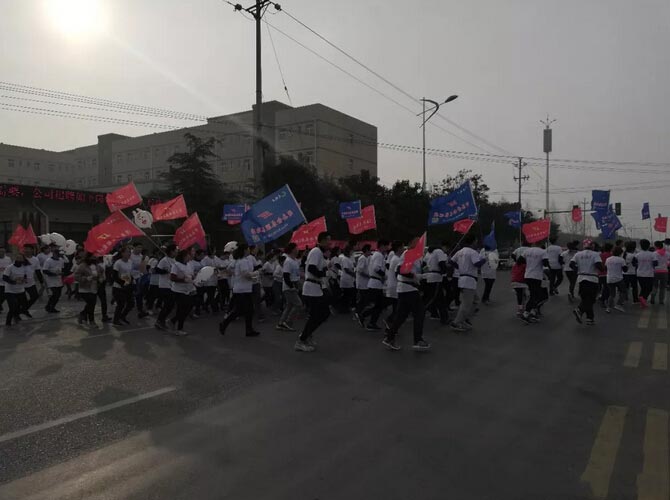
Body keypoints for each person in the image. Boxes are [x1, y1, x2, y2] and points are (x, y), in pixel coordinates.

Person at [382, 236, 431, 352]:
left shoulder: (413, 255)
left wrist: (421, 273)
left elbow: (402, 270)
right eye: (418, 243)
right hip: (408, 288)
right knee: (419, 312)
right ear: (412, 244)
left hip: (406, 288)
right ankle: (418, 340)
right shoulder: (409, 254)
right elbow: (401, 270)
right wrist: (415, 276)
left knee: (401, 316)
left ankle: (389, 338)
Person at [295, 232, 331, 352]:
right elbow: (311, 268)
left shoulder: (319, 253)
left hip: (316, 288)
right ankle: (301, 340)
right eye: (328, 240)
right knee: (319, 314)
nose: (330, 243)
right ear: (322, 240)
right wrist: (323, 273)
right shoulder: (316, 251)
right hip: (311, 288)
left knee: (322, 314)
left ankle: (307, 335)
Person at [219, 243, 260, 338]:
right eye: (248, 249)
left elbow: (234, 271)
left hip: (245, 289)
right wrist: (255, 274)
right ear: (245, 250)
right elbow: (245, 274)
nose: (249, 250)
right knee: (240, 310)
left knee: (249, 310)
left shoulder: (242, 260)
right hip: (241, 290)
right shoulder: (242, 261)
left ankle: (249, 330)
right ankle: (224, 323)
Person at [451, 234, 486, 332]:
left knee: (476, 301)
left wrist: (460, 267)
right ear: (473, 241)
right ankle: (457, 322)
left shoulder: (460, 251)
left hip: (463, 278)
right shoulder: (472, 252)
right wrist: (484, 260)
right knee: (466, 304)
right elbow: (477, 264)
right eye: (476, 241)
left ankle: (465, 318)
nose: (476, 243)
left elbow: (451, 261)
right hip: (468, 280)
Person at [570, 239, 604, 325]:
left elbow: (571, 264)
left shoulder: (578, 254)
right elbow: (598, 265)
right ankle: (579, 310)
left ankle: (590, 318)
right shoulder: (595, 254)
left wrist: (578, 270)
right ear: (592, 246)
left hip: (581, 278)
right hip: (592, 279)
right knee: (591, 299)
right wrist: (602, 269)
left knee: (586, 298)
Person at [360, 239, 390, 330]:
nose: (388, 248)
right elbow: (376, 268)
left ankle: (369, 320)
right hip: (375, 283)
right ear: (382, 246)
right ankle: (366, 317)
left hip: (376, 283)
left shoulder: (377, 255)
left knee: (378, 305)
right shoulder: (379, 255)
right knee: (379, 305)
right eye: (387, 246)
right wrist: (384, 275)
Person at [520, 241, 549, 324]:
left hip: (527, 275)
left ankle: (532, 312)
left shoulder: (527, 251)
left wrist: (530, 263)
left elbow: (519, 261)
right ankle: (526, 313)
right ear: (540, 243)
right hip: (536, 276)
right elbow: (545, 264)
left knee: (535, 294)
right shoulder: (543, 252)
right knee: (535, 296)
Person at [169, 249, 195, 336]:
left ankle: (173, 320)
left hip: (188, 289)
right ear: (183, 256)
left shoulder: (189, 264)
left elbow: (191, 275)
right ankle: (179, 329)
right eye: (188, 255)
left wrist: (194, 278)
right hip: (178, 291)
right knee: (181, 309)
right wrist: (183, 280)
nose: (189, 256)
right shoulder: (176, 265)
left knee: (189, 307)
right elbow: (172, 278)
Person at [277, 243, 302, 332]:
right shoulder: (288, 261)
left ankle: (281, 323)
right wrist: (292, 286)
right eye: (296, 248)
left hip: (293, 285)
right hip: (289, 287)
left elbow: (296, 274)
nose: (298, 249)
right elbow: (286, 275)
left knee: (289, 305)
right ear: (292, 250)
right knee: (298, 304)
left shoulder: (294, 260)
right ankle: (288, 322)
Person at [423, 243, 449, 323]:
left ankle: (441, 316)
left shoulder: (429, 253)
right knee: (435, 298)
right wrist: (444, 271)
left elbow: (423, 264)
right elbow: (441, 263)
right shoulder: (439, 251)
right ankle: (419, 310)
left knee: (436, 298)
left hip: (430, 276)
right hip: (436, 277)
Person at [154, 244, 177, 330]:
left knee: (170, 305)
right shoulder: (164, 260)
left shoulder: (174, 260)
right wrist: (165, 271)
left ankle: (161, 320)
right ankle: (159, 321)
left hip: (171, 285)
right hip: (164, 285)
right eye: (175, 251)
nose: (177, 252)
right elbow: (157, 270)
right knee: (168, 304)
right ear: (171, 251)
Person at [74, 252, 100, 328]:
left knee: (92, 304)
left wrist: (100, 277)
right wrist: (86, 278)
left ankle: (82, 314)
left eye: (95, 257)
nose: (94, 258)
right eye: (93, 257)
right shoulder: (82, 265)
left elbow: (101, 273)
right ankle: (91, 321)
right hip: (84, 288)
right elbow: (76, 276)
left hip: (94, 287)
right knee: (91, 304)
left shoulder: (96, 265)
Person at [111, 246, 134, 326]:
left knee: (131, 303)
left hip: (128, 285)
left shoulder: (130, 262)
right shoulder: (118, 263)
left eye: (130, 252)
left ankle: (122, 316)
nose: (129, 253)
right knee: (121, 304)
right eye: (127, 252)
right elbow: (114, 276)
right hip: (118, 287)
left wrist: (131, 281)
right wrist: (123, 283)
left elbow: (130, 273)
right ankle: (116, 320)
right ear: (122, 253)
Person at [3, 253, 27, 327]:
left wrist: (24, 280)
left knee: (22, 304)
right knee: (12, 306)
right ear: (15, 259)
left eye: (21, 258)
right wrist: (13, 282)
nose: (19, 259)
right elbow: (5, 278)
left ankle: (16, 316)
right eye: (17, 258)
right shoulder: (10, 267)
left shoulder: (24, 267)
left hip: (20, 290)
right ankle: (8, 322)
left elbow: (25, 276)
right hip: (10, 290)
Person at [384, 240, 403, 329]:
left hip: (393, 285)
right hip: (395, 286)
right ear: (399, 248)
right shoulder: (396, 259)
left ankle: (391, 324)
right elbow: (397, 274)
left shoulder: (395, 258)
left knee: (396, 307)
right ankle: (390, 322)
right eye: (402, 247)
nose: (403, 249)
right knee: (397, 308)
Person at [634, 239, 657, 308]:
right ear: (648, 246)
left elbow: (633, 263)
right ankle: (642, 298)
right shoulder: (652, 254)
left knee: (643, 288)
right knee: (649, 288)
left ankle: (642, 302)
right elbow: (656, 263)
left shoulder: (637, 254)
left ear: (641, 246)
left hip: (640, 273)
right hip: (649, 274)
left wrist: (639, 264)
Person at [130, 243, 149, 319]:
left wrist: (145, 275)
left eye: (141, 247)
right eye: (138, 247)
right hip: (128, 276)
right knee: (128, 292)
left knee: (139, 294)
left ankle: (140, 310)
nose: (140, 249)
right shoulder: (129, 255)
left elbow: (143, 268)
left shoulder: (142, 257)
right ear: (134, 247)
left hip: (139, 277)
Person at [605, 246, 627, 313]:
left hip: (609, 278)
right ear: (620, 253)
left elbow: (606, 268)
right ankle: (618, 304)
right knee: (623, 291)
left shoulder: (608, 259)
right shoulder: (621, 260)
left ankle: (608, 308)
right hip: (618, 278)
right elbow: (625, 270)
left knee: (612, 294)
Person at [22, 245, 42, 317]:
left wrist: (41, 282)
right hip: (21, 283)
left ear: (32, 250)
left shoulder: (35, 259)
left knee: (35, 296)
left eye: (28, 249)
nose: (26, 250)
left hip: (31, 282)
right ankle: (18, 313)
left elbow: (38, 271)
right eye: (25, 249)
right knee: (22, 300)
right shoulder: (20, 258)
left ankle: (23, 310)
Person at [354, 244, 372, 325]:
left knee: (364, 299)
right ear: (367, 250)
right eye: (370, 250)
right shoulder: (362, 258)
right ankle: (358, 312)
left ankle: (359, 312)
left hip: (365, 282)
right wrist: (368, 276)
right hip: (362, 282)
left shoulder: (366, 258)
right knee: (363, 298)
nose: (371, 252)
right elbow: (360, 271)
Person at [42, 248, 64, 313]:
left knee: (58, 295)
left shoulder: (61, 260)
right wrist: (54, 274)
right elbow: (45, 270)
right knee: (55, 294)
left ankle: (49, 306)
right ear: (54, 254)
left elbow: (62, 268)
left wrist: (62, 275)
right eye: (56, 254)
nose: (58, 256)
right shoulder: (48, 261)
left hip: (59, 279)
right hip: (51, 280)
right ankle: (51, 307)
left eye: (58, 255)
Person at [339, 246, 356, 313]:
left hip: (350, 278)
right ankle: (344, 308)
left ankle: (346, 307)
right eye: (351, 250)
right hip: (346, 278)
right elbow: (346, 269)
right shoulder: (345, 259)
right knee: (347, 294)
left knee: (349, 294)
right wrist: (354, 274)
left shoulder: (349, 258)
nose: (352, 252)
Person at [651, 240, 668, 305]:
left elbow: (652, 263)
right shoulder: (667, 253)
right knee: (662, 287)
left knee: (655, 286)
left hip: (656, 271)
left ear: (657, 246)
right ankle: (661, 301)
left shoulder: (654, 253)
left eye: (655, 245)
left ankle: (652, 299)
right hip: (664, 272)